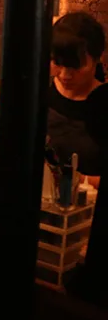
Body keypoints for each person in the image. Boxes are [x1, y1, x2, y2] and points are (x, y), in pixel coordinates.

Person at [48, 11, 108, 189]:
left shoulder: (103, 103)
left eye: (76, 66)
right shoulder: (40, 95)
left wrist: (75, 179)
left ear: (98, 58)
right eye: (57, 63)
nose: (65, 75)